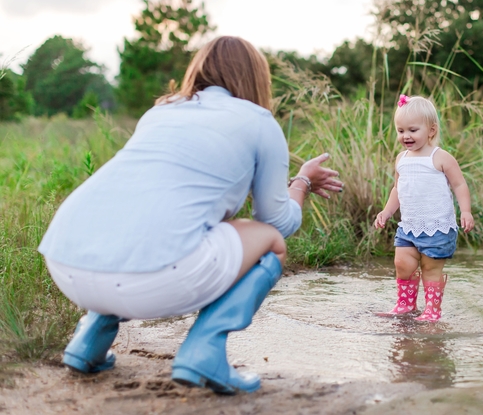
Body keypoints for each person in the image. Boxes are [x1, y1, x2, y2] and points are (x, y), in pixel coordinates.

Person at [38, 36, 343, 394]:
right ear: (257, 78)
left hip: (65, 260)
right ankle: (205, 350)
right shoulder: (259, 121)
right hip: (149, 279)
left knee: (151, 222)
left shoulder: (161, 111)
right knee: (269, 242)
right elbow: (276, 222)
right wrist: (302, 181)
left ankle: (90, 338)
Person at [374, 95, 474, 322]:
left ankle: (432, 310)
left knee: (430, 269)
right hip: (409, 226)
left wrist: (465, 211)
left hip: (437, 226)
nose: (405, 136)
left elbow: (459, 184)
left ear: (431, 130)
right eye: (400, 131)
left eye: (412, 130)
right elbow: (397, 189)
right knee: (402, 263)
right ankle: (406, 304)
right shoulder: (402, 159)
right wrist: (386, 212)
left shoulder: (439, 157)